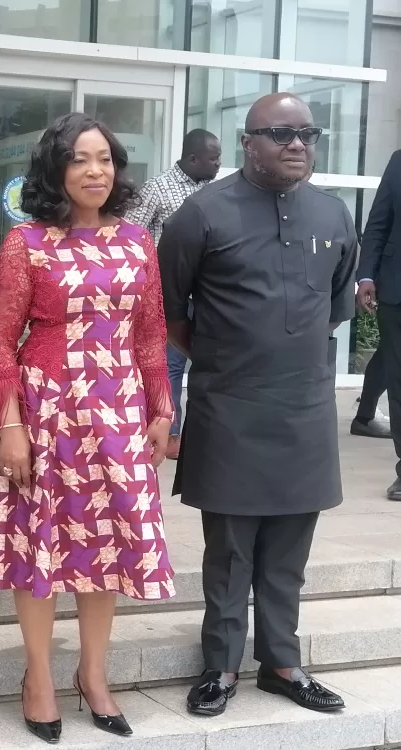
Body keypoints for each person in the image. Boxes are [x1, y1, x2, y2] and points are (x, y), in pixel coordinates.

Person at [0, 112, 175, 743]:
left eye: (105, 159)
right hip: (47, 412)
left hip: (118, 412)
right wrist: (9, 424)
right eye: (80, 159)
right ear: (56, 169)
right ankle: (38, 677)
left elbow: (151, 333)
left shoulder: (136, 242)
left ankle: (93, 673)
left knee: (107, 545)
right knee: (43, 546)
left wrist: (161, 410)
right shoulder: (26, 243)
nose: (95, 171)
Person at [158, 93, 354, 717]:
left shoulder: (333, 213)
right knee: (230, 551)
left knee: (290, 549)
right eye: (281, 134)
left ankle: (281, 663)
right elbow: (171, 314)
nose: (297, 144)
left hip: (304, 409)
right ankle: (220, 666)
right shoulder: (201, 213)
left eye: (308, 135)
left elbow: (334, 308)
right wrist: (228, 360)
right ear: (247, 142)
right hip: (231, 408)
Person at [125, 129, 221, 459]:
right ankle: (172, 432)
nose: (218, 164)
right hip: (170, 292)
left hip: (208, 293)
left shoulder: (214, 192)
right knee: (171, 365)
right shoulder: (157, 189)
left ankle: (204, 432)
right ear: (193, 158)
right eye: (213, 158)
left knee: (209, 362)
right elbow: (131, 235)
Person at [358, 148, 401, 493]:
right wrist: (366, 276)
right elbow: (378, 224)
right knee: (399, 383)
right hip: (397, 291)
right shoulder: (399, 161)